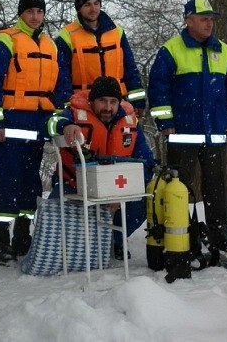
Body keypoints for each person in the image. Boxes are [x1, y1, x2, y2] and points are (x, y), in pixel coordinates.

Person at [147, 0, 227, 251]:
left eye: (211, 19)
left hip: (215, 133)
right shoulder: (171, 50)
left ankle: (219, 235)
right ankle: (183, 235)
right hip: (182, 134)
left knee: (216, 186)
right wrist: (165, 121)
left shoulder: (224, 51)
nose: (209, 24)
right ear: (188, 21)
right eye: (204, 19)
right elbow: (159, 89)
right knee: (180, 188)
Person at [0, 0, 59, 265]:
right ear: (21, 14)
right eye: (30, 12)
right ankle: (2, 240)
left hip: (38, 125)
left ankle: (23, 236)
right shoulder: (6, 40)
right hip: (11, 124)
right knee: (8, 183)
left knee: (31, 183)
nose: (35, 16)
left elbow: (58, 87)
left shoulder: (51, 45)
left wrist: (57, 119)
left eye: (39, 11)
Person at [47, 75, 154, 258]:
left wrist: (122, 192)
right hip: (74, 184)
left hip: (117, 186)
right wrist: (65, 126)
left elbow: (146, 162)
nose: (108, 107)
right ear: (92, 100)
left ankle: (115, 241)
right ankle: (74, 246)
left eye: (113, 102)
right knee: (53, 213)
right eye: (102, 101)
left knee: (145, 199)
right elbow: (50, 124)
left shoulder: (131, 122)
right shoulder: (73, 113)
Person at [54, 0, 146, 112]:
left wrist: (137, 101)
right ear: (79, 8)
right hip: (83, 103)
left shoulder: (117, 32)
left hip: (117, 102)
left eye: (96, 3)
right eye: (87, 5)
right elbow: (62, 75)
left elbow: (130, 68)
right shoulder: (67, 36)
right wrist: (66, 104)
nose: (93, 8)